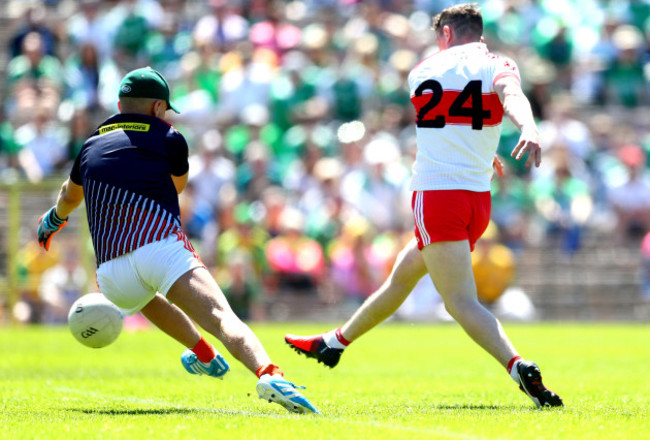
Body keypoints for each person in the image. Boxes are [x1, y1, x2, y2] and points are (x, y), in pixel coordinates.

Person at [285, 4, 563, 408]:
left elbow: (447, 125)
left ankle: (518, 366)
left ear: (446, 33)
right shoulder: (496, 62)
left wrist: (504, 137)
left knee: (460, 302)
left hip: (437, 196)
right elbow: (505, 97)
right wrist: (526, 128)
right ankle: (334, 342)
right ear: (478, 33)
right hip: (477, 200)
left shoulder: (421, 71)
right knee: (403, 275)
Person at [37, 67, 319, 415]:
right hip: (160, 247)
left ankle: (203, 354)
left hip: (111, 274)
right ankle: (269, 374)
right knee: (220, 315)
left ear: (119, 104)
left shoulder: (90, 144)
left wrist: (54, 220)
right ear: (158, 107)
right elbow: (177, 187)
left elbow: (68, 195)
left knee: (144, 295)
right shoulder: (170, 137)